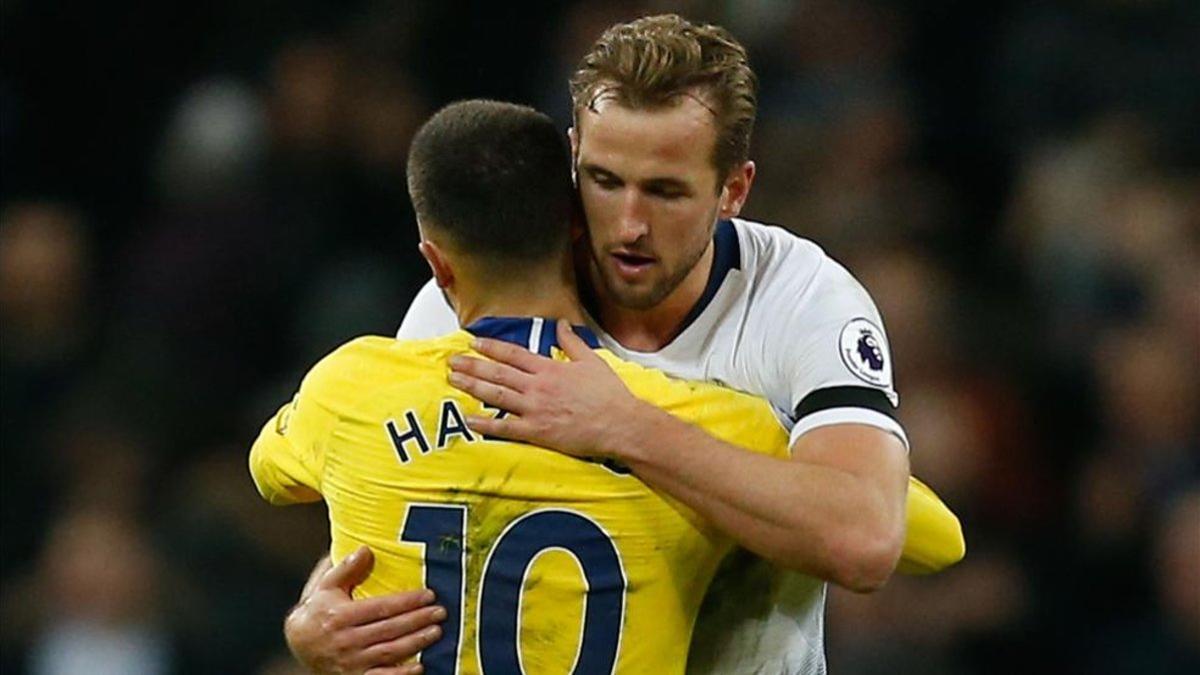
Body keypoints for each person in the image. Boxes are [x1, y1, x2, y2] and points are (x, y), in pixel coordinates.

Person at [284, 15, 965, 675]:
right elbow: (406, 504)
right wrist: (319, 616)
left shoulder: (801, 300)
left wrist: (627, 426)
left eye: (666, 191)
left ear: (734, 189)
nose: (630, 225)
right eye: (605, 181)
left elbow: (867, 539)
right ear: (574, 151)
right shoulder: (475, 289)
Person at [252, 99, 805, 674]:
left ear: (436, 265)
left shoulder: (348, 389)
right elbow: (880, 526)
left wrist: (307, 619)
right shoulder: (716, 425)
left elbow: (273, 473)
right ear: (576, 227)